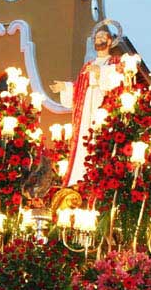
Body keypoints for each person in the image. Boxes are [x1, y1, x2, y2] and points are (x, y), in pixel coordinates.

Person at [50, 19, 124, 185]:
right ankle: (78, 177)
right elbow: (78, 87)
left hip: (104, 105)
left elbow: (118, 82)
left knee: (99, 140)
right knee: (84, 138)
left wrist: (100, 72)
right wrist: (65, 87)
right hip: (86, 108)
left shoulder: (116, 62)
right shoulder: (87, 66)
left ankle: (99, 176)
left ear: (110, 41)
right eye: (96, 39)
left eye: (102, 38)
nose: (98, 41)